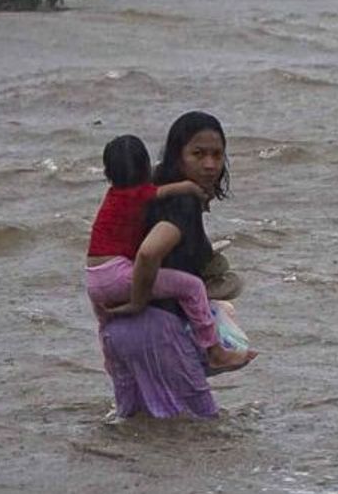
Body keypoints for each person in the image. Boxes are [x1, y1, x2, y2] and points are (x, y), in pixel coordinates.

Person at [96, 112, 257, 419]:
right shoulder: (182, 203)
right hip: (157, 330)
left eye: (217, 155)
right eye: (198, 154)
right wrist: (140, 299)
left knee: (132, 429)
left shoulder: (145, 193)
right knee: (202, 428)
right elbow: (149, 252)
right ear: (177, 156)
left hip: (118, 334)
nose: (210, 165)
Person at [85, 135, 249, 372]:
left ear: (108, 173)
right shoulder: (139, 193)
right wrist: (192, 188)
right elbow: (166, 191)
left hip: (94, 278)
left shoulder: (112, 196)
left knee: (107, 321)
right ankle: (214, 350)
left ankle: (112, 362)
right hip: (118, 275)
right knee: (191, 287)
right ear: (144, 167)